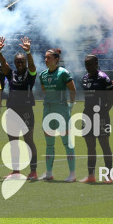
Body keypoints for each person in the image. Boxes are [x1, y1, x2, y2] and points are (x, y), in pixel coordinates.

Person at [0, 36, 38, 180]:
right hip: (12, 111)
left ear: (25, 62)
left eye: (22, 61)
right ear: (15, 63)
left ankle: (33, 172)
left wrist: (28, 52)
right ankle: (16, 171)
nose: (20, 63)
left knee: (28, 141)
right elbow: (4, 64)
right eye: (17, 61)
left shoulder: (30, 74)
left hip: (26, 111)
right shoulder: (11, 73)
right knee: (13, 142)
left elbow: (32, 66)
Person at [38, 48, 77, 182]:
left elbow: (73, 90)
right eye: (45, 57)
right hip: (47, 110)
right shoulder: (42, 75)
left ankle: (72, 174)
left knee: (67, 143)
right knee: (49, 144)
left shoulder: (64, 73)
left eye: (49, 57)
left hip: (61, 110)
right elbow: (44, 90)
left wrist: (71, 106)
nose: (46, 59)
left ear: (56, 59)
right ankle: (49, 172)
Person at [78, 55, 113, 184]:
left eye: (90, 64)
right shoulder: (84, 78)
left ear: (96, 64)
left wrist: (104, 111)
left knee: (105, 145)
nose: (88, 67)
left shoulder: (103, 78)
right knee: (90, 147)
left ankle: (109, 176)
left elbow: (112, 98)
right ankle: (91, 175)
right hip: (87, 114)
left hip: (101, 114)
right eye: (86, 65)